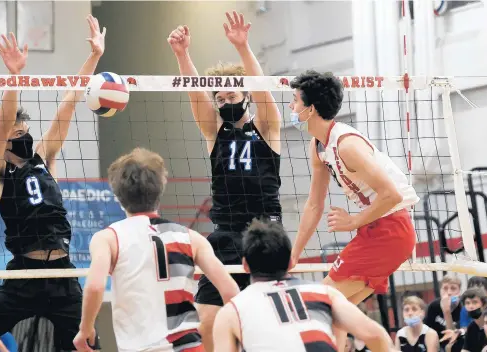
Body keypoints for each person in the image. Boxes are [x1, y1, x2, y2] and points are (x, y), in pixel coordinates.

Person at [0, 15, 106, 352]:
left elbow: (68, 105)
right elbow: (4, 122)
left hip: (61, 275)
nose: (24, 137)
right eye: (17, 135)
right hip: (22, 278)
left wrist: (94, 57)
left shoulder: (44, 157)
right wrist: (14, 76)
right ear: (1, 143)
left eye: (25, 132)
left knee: (88, 346)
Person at [168, 11, 282, 351]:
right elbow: (195, 97)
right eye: (220, 99)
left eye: (231, 96)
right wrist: (181, 54)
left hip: (265, 230)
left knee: (264, 321)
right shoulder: (214, 133)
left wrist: (244, 48)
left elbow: (262, 93)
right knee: (207, 322)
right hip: (226, 233)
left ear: (244, 95)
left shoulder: (266, 128)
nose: (225, 102)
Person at [287, 70, 419, 348]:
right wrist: (295, 253)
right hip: (377, 229)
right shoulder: (318, 145)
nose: (291, 107)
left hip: (390, 229)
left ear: (311, 109)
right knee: (335, 314)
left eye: (295, 101)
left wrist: (352, 221)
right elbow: (314, 204)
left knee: (319, 302)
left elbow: (391, 194)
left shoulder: (347, 145)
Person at [73, 148, 240, 352]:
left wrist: (85, 329)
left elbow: (95, 287)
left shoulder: (108, 238)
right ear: (161, 188)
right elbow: (230, 291)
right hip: (190, 346)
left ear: (117, 195)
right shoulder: (191, 237)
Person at [212, 219, 396, 352]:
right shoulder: (324, 293)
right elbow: (376, 336)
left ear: (245, 265)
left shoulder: (230, 312)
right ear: (291, 262)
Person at [424, 275, 463, 351]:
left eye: (453, 288)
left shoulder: (463, 308)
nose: (449, 292)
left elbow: (453, 338)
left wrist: (446, 312)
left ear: (459, 292)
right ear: (440, 291)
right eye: (445, 288)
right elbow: (426, 331)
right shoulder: (433, 306)